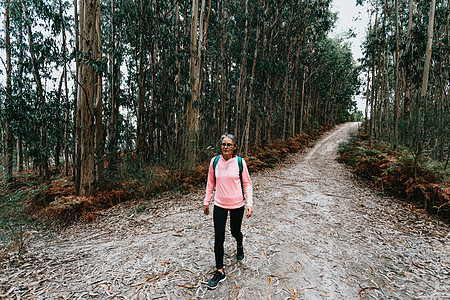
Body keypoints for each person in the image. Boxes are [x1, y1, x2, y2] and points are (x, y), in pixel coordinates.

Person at [203, 134, 253, 289]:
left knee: (234, 231)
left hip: (237, 204)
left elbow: (247, 184)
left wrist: (249, 203)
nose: (225, 147)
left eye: (229, 144)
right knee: (219, 237)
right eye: (223, 144)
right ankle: (219, 270)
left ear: (234, 146)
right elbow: (210, 183)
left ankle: (239, 243)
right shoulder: (214, 161)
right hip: (219, 205)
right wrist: (206, 201)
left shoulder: (239, 162)